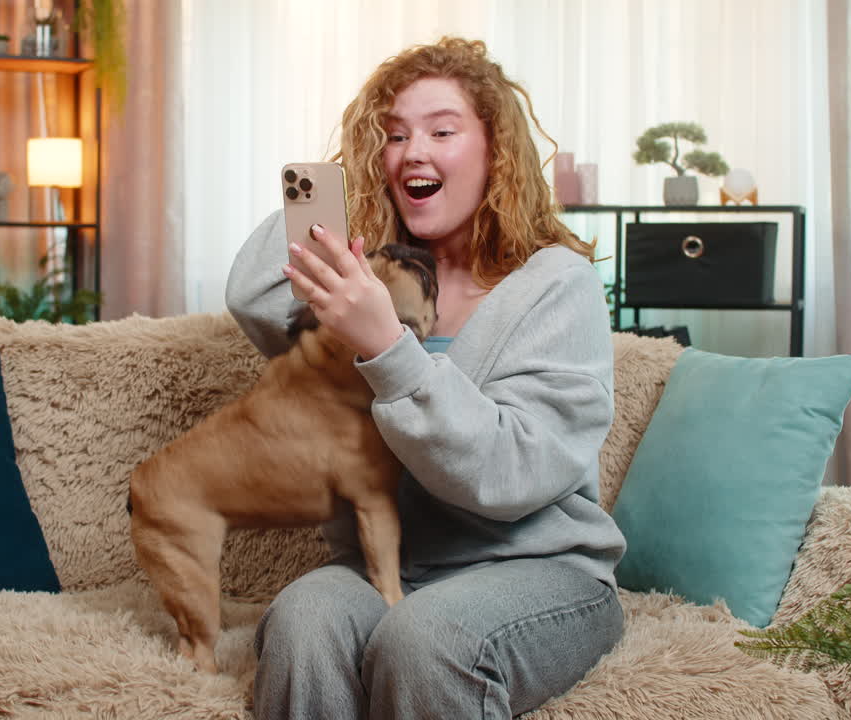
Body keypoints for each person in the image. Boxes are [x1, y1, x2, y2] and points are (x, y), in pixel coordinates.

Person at [224, 37, 625, 719]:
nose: (414, 151)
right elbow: (256, 296)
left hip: (540, 570)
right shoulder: (374, 278)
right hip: (394, 566)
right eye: (394, 135)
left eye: (442, 131)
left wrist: (386, 346)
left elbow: (509, 474)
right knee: (302, 619)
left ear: (496, 150)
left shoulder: (558, 284)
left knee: (427, 638)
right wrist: (344, 184)